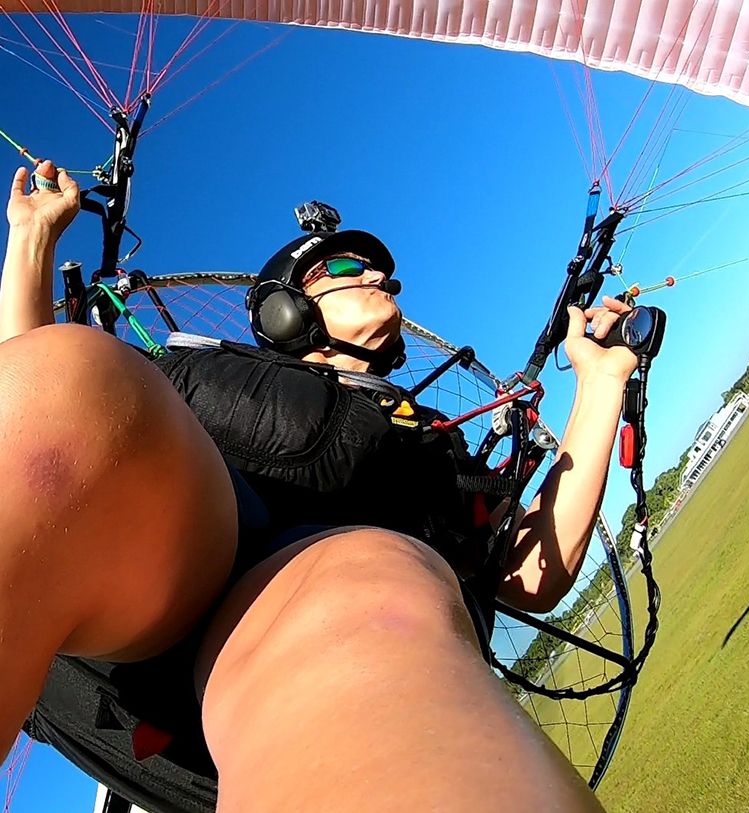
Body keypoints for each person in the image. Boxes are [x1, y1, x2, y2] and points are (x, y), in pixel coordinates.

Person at [0, 160, 637, 812]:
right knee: (72, 372)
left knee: (364, 584)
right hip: (152, 584)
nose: (377, 276)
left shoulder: (428, 445)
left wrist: (601, 379)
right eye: (345, 268)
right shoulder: (221, 375)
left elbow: (531, 576)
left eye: (380, 271)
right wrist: (33, 238)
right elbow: (36, 428)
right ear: (283, 310)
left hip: (336, 625)